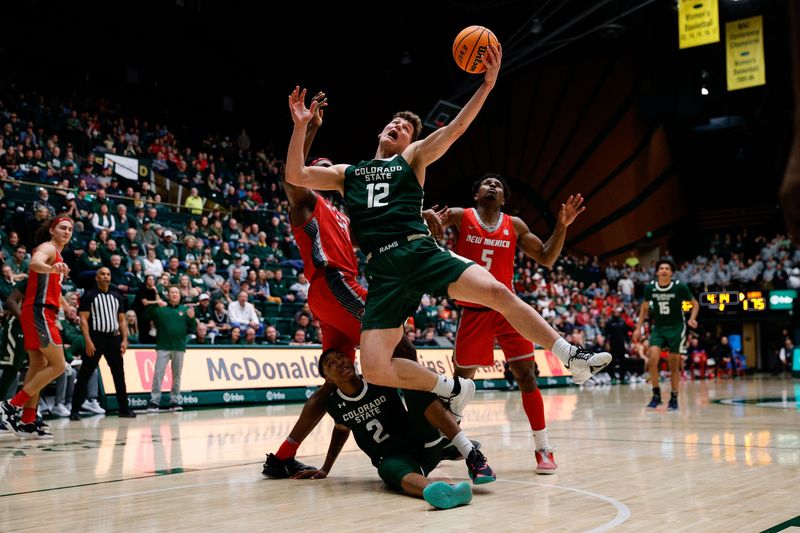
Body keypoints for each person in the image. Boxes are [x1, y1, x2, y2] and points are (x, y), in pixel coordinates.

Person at [284, 46, 609, 403]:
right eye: (394, 123)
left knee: (499, 292)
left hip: (418, 250)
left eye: (406, 129)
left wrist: (486, 85)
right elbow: (296, 175)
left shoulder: (413, 158)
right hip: (384, 271)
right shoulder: (348, 173)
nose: (398, 127)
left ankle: (570, 355)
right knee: (375, 368)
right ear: (381, 130)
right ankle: (454, 389)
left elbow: (457, 128)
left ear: (412, 141)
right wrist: (300, 127)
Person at [264, 93, 466, 479]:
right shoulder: (306, 205)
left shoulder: (343, 214)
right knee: (401, 344)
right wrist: (305, 129)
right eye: (317, 170)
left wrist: (421, 219)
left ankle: (283, 456)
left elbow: (383, 228)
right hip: (334, 284)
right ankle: (434, 434)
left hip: (332, 299)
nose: (321, 172)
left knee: (336, 380)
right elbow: (294, 177)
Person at [440, 173, 585, 474]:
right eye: (486, 183)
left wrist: (562, 225)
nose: (492, 186)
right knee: (461, 384)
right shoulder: (458, 216)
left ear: (504, 199)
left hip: (508, 311)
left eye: (498, 186)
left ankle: (543, 448)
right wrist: (429, 220)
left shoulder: (515, 225)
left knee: (527, 376)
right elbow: (427, 227)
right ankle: (448, 440)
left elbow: (546, 257)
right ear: (476, 195)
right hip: (474, 310)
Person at [291, 348, 494, 509]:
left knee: (414, 383)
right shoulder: (334, 404)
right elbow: (341, 430)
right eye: (331, 364)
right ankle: (442, 491)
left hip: (421, 440)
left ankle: (464, 445)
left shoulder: (377, 379)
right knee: (386, 470)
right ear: (328, 379)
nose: (340, 362)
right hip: (394, 458)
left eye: (341, 357)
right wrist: (326, 468)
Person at [0, 217, 73, 439]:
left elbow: (51, 286)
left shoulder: (58, 256)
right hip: (39, 312)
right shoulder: (47, 248)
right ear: (52, 229)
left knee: (38, 365)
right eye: (62, 227)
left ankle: (27, 421)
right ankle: (11, 407)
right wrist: (51, 268)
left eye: (70, 229)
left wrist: (66, 306)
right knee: (59, 365)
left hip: (42, 311)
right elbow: (35, 263)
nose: (67, 231)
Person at [70, 267, 137, 420]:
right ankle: (75, 410)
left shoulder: (116, 296)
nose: (106, 277)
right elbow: (84, 320)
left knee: (119, 374)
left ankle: (124, 409)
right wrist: (87, 340)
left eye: (108, 274)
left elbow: (121, 320)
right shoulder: (89, 296)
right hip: (95, 338)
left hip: (114, 339)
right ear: (96, 277)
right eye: (102, 274)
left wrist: (125, 339)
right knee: (85, 374)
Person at [633, 258, 699, 411]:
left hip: (677, 327)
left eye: (667, 268)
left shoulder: (680, 287)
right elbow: (644, 308)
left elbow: (695, 304)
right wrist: (638, 328)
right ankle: (656, 395)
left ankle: (674, 397)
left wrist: (692, 318)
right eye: (661, 268)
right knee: (652, 360)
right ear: (657, 272)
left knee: (673, 364)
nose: (664, 270)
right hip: (659, 328)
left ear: (671, 273)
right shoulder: (650, 288)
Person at [143, 286, 196, 412]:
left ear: (179, 295)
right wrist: (155, 305)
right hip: (163, 347)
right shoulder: (161, 309)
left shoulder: (185, 309)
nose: (174, 295)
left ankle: (174, 401)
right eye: (172, 292)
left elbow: (192, 328)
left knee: (177, 376)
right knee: (158, 374)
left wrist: (192, 317)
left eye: (176, 292)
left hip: (179, 347)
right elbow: (144, 316)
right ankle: (154, 402)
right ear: (168, 295)